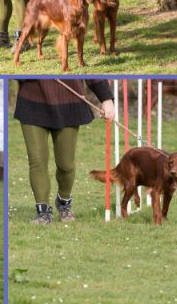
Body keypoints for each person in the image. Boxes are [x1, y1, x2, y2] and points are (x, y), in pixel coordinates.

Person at [15, 79, 115, 224]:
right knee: (37, 161)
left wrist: (106, 99)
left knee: (66, 165)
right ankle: (43, 213)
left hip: (69, 104)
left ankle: (63, 201)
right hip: (32, 103)